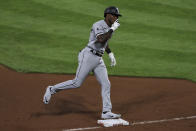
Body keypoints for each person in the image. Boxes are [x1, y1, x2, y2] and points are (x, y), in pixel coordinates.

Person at [43, 6, 122, 119]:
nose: (116, 18)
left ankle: (106, 112)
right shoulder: (98, 25)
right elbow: (100, 39)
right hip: (88, 56)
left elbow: (105, 41)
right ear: (108, 15)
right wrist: (112, 29)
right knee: (77, 83)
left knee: (106, 83)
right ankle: (52, 89)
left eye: (117, 16)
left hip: (98, 59)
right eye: (114, 15)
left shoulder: (110, 27)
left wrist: (110, 53)